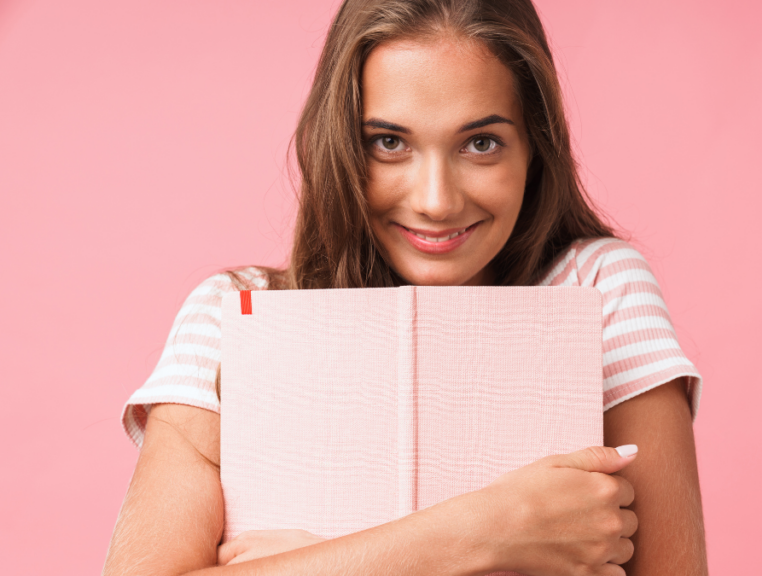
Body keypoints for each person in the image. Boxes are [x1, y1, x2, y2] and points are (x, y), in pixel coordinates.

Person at [102, 0, 708, 574]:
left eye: (481, 143)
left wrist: (319, 560)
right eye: (389, 143)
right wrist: (494, 529)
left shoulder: (598, 289)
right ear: (339, 146)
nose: (436, 201)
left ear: (536, 149)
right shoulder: (231, 319)